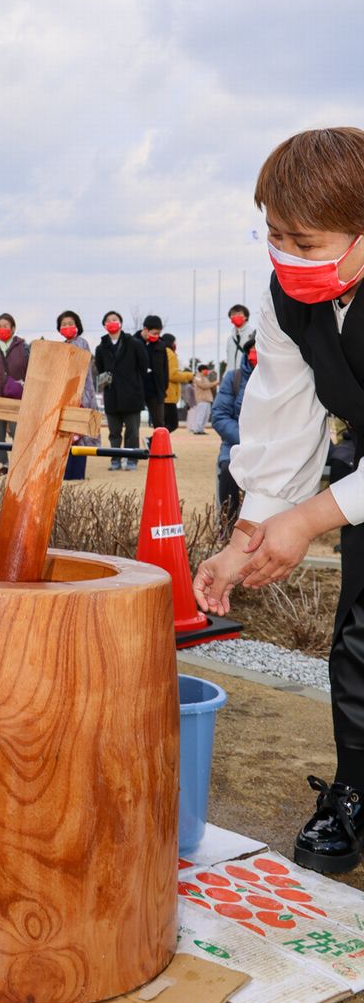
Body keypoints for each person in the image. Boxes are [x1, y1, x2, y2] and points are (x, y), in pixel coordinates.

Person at [193, 127, 364, 875]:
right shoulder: (285, 296)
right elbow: (283, 413)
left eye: (306, 239)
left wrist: (310, 519)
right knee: (358, 633)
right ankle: (356, 793)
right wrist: (251, 535)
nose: (286, 254)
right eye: (274, 235)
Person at [210, 336, 256, 527]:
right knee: (228, 467)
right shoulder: (233, 378)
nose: (258, 354)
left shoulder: (282, 378)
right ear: (247, 353)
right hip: (236, 443)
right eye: (254, 350)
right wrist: (247, 440)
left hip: (272, 445)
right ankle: (227, 525)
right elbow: (219, 416)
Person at [95, 310, 147, 470]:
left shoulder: (134, 343)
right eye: (108, 320)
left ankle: (132, 459)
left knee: (132, 431)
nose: (112, 322)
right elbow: (100, 368)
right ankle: (115, 459)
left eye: (115, 319)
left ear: (121, 323)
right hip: (112, 394)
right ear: (104, 325)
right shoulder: (101, 347)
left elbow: (143, 364)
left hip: (132, 394)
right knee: (114, 432)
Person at [56, 309, 97, 480]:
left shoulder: (81, 343)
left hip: (81, 395)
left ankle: (77, 474)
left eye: (70, 324)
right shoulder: (62, 345)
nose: (67, 326)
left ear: (78, 326)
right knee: (68, 436)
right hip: (67, 395)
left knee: (79, 436)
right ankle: (67, 473)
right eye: (63, 324)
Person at [0, 313, 28, 475]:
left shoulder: (22, 346)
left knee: (18, 430)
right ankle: (4, 463)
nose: (2, 329)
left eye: (5, 326)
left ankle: (19, 462)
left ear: (13, 328)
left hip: (17, 394)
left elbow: (29, 367)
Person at [133, 315, 168, 429]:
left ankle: (157, 445)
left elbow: (165, 369)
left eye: (159, 333)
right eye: (154, 333)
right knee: (133, 425)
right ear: (145, 329)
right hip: (137, 389)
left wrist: (163, 387)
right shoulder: (132, 342)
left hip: (155, 391)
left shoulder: (161, 345)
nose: (157, 336)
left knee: (160, 424)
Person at [161, 332, 193, 433]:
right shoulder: (170, 354)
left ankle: (158, 444)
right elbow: (172, 375)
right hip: (169, 394)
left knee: (164, 424)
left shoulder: (160, 351)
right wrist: (190, 375)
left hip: (161, 393)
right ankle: (152, 440)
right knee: (172, 424)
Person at [226, 303, 254, 374]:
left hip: (247, 374)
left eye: (239, 314)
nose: (236, 316)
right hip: (232, 376)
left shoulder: (253, 334)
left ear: (246, 317)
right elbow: (229, 360)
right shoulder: (230, 339)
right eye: (233, 314)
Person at [191, 364, 218, 434]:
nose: (207, 371)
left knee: (206, 416)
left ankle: (201, 429)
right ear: (201, 370)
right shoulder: (198, 377)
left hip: (207, 399)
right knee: (201, 415)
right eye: (206, 370)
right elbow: (204, 386)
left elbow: (208, 386)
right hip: (202, 399)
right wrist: (214, 383)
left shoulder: (205, 377)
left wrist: (213, 385)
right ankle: (197, 429)